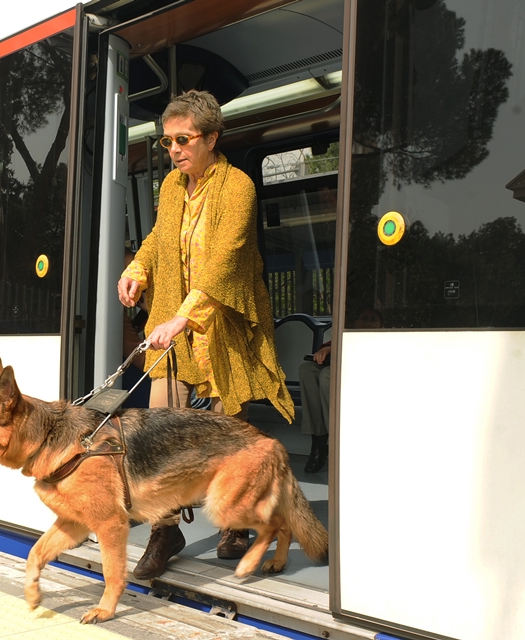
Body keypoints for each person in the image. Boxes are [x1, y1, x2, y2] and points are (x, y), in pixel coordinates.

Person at [117, 89, 296, 579]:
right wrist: (138, 269)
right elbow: (158, 237)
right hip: (175, 334)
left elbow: (228, 257)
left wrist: (183, 315)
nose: (173, 150)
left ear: (211, 137)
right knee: (160, 436)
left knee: (225, 434)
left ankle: (234, 523)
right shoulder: (172, 188)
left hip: (219, 328)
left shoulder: (238, 186)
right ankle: (164, 529)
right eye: (166, 142)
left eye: (183, 139)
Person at [299, 307, 382, 474]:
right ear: (355, 322)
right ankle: (318, 440)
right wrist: (329, 349)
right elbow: (332, 346)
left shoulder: (381, 337)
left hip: (366, 380)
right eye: (364, 317)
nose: (368, 322)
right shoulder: (346, 334)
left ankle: (336, 442)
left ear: (381, 324)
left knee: (327, 376)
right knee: (307, 370)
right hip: (341, 371)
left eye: (373, 319)